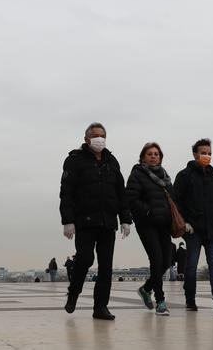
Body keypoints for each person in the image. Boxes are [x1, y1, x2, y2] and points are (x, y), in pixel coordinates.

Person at [59, 122, 132, 320]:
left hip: (107, 221)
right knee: (85, 258)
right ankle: (74, 293)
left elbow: (121, 192)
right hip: (85, 220)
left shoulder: (112, 160)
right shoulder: (74, 160)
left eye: (102, 135)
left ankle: (100, 307)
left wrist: (125, 219)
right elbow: (66, 193)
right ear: (86, 139)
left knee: (106, 266)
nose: (99, 139)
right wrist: (68, 221)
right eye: (95, 135)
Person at [173, 138, 213, 314]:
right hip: (193, 229)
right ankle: (190, 301)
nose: (207, 156)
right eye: (203, 153)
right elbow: (175, 202)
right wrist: (184, 222)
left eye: (209, 153)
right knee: (191, 266)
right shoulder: (184, 176)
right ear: (195, 154)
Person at [126, 142, 174, 316]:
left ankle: (146, 289)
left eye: (156, 154)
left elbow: (172, 199)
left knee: (167, 260)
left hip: (164, 223)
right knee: (157, 259)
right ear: (143, 157)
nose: (153, 156)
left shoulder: (165, 176)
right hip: (147, 224)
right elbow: (131, 198)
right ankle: (160, 301)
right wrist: (148, 211)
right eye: (149, 154)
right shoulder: (137, 174)